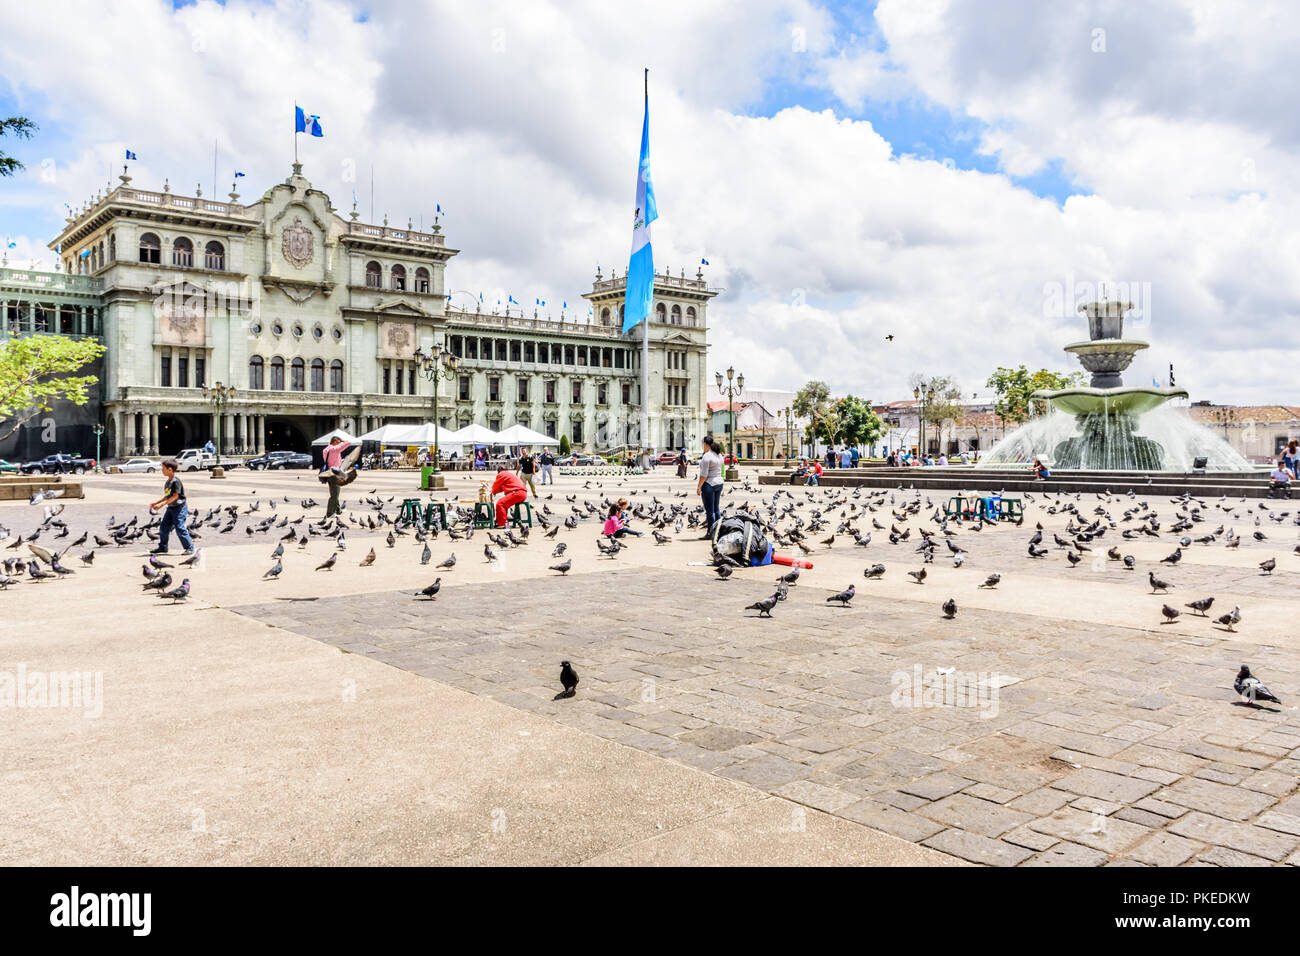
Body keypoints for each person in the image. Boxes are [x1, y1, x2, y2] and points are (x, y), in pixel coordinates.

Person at [149, 459, 194, 555]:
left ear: (170, 469)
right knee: (163, 527)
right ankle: (163, 547)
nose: (162, 470)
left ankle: (189, 547)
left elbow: (175, 496)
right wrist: (156, 502)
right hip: (171, 508)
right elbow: (167, 496)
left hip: (179, 508)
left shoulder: (175, 481)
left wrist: (161, 505)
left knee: (179, 527)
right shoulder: (168, 482)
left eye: (163, 469)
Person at [320, 436, 355, 518]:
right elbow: (348, 443)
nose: (339, 443)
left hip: (328, 473)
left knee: (334, 493)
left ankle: (338, 510)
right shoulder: (334, 449)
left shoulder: (325, 450)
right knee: (335, 494)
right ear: (335, 441)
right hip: (335, 474)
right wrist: (342, 440)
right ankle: (330, 513)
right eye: (338, 441)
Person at [696, 436, 724, 538]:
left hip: (709, 485)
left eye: (703, 445)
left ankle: (710, 533)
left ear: (705, 444)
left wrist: (699, 487)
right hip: (719, 483)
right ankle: (718, 532)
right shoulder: (719, 455)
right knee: (716, 509)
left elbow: (703, 475)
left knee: (710, 510)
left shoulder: (707, 456)